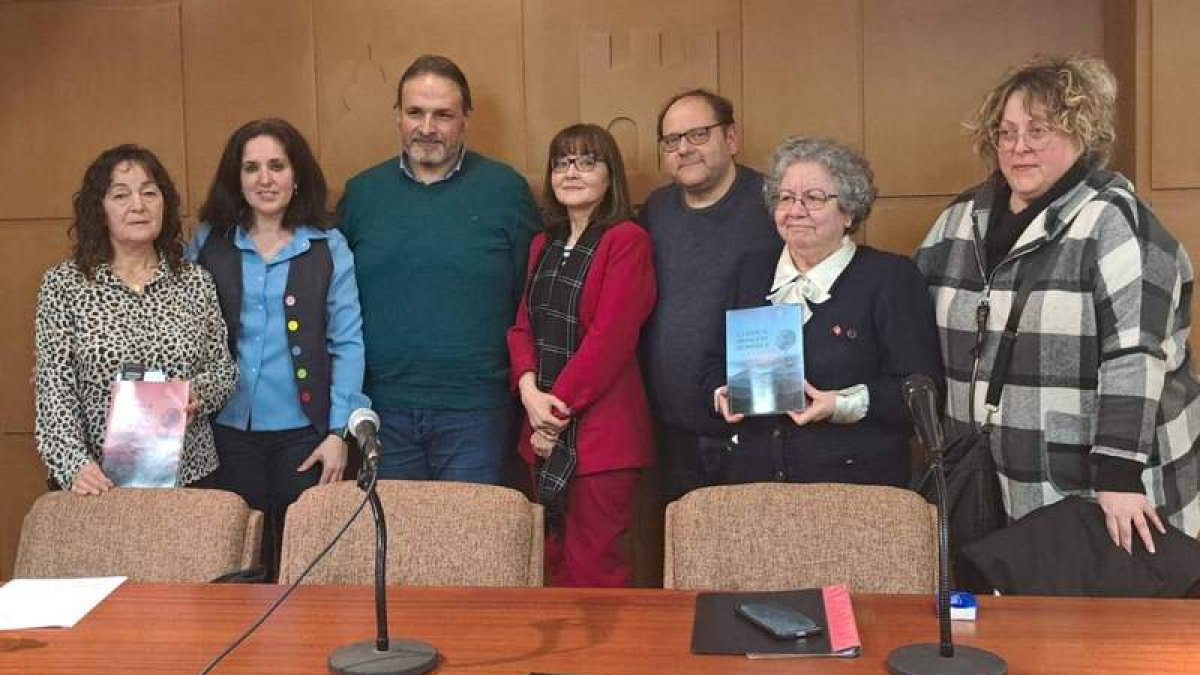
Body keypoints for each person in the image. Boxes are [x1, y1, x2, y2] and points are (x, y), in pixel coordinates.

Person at [915, 55, 1200, 551]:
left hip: (1100, 491)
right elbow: (909, 311)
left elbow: (1135, 355)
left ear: (1080, 133)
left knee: (1093, 625)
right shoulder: (960, 219)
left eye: (1039, 130)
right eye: (1007, 132)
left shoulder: (1117, 223)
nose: (1019, 147)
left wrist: (1118, 474)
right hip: (983, 478)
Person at [338, 54, 539, 484]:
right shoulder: (361, 195)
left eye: (443, 115)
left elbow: (533, 301)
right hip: (381, 411)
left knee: (469, 544)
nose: (427, 127)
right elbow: (334, 307)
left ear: (465, 118)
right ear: (398, 116)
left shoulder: (507, 191)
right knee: (399, 546)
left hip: (477, 412)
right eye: (415, 112)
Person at [703, 136, 942, 487]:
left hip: (855, 488)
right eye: (785, 198)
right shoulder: (750, 272)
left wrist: (840, 405)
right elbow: (711, 362)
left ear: (848, 211)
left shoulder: (889, 277)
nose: (795, 210)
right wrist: (721, 393)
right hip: (756, 486)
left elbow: (921, 391)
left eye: (813, 198)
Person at [190, 118, 369, 579]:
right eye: (251, 168)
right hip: (225, 431)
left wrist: (338, 435)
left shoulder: (329, 247)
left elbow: (347, 344)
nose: (264, 179)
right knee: (237, 565)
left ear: (296, 176)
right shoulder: (209, 243)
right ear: (236, 178)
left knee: (305, 567)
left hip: (306, 437)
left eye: (276, 166)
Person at [34, 145, 237, 494]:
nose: (138, 206)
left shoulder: (195, 282)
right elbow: (53, 388)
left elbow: (224, 370)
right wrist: (75, 465)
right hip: (96, 483)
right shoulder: (64, 285)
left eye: (149, 193)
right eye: (121, 195)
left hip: (188, 475)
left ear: (164, 203)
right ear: (99, 209)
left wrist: (194, 393)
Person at [507, 124, 656, 587]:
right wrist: (530, 391)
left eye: (587, 161)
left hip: (601, 438)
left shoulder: (626, 240)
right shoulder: (543, 245)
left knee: (596, 569)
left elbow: (611, 339)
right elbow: (520, 328)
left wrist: (553, 412)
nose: (571, 171)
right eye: (561, 162)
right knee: (551, 563)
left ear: (610, 177)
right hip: (541, 429)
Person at [639, 89, 781, 502]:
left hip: (753, 427)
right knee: (684, 558)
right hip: (672, 429)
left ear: (731, 139)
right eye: (672, 140)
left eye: (698, 134)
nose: (684, 149)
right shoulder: (656, 210)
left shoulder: (775, 203)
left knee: (750, 556)